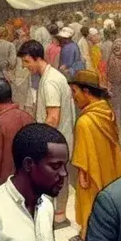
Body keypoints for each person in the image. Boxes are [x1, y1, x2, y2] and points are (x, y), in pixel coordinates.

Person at [19, 39, 77, 230]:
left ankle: (58, 218)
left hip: (54, 141)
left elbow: (52, 117)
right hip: (60, 140)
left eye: (27, 62)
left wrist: (38, 141)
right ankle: (59, 216)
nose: (25, 66)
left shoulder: (50, 81)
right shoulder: (52, 76)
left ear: (37, 58)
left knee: (54, 178)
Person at [69, 69, 121, 241]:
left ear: (86, 91)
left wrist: (82, 175)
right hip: (111, 167)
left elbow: (82, 157)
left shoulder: (84, 121)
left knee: (90, 200)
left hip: (91, 171)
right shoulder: (107, 111)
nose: (74, 97)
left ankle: (88, 234)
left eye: (75, 91)